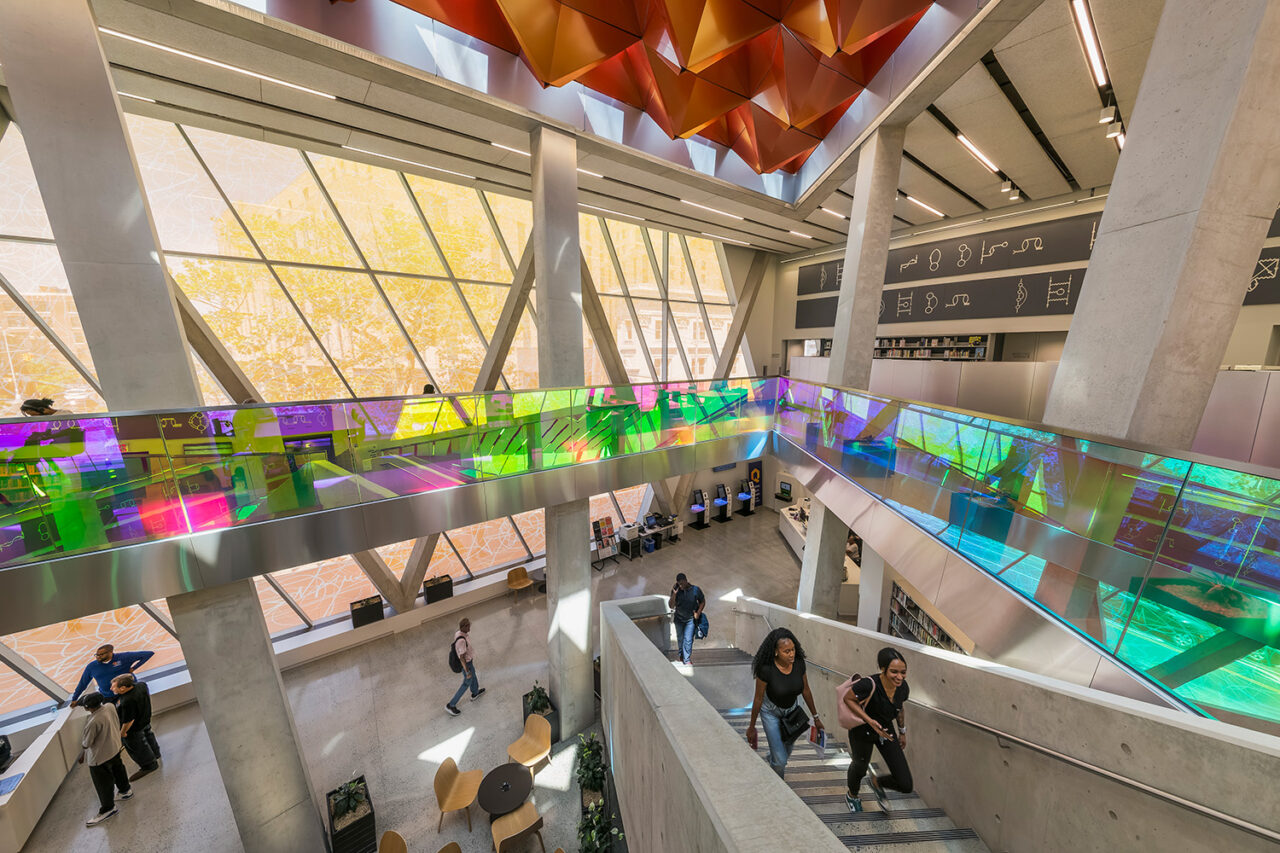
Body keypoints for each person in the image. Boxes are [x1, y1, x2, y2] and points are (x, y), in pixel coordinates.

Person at [841, 647, 913, 813]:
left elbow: (900, 707)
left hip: (886, 731)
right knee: (860, 766)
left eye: (903, 672)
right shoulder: (868, 684)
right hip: (862, 731)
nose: (899, 677)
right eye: (894, 672)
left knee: (905, 784)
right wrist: (869, 720)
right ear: (883, 669)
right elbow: (848, 698)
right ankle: (852, 795)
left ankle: (876, 782)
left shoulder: (903, 688)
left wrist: (902, 731)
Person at [745, 627, 824, 778]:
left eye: (793, 649)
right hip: (771, 713)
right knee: (781, 761)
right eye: (786, 651)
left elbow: (806, 690)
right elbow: (758, 698)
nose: (792, 654)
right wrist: (751, 727)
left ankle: (773, 758)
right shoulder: (766, 669)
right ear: (776, 652)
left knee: (785, 752)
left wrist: (816, 717)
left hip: (792, 712)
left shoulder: (799, 664)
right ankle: (779, 787)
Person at [78, 692, 133, 826]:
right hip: (115, 747)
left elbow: (87, 743)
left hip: (99, 758)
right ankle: (125, 790)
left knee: (103, 784)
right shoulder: (109, 706)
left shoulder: (93, 722)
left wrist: (82, 754)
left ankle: (108, 808)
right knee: (119, 769)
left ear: (87, 708)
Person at [70, 645, 155, 706]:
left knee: (137, 712)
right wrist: (75, 698)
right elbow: (83, 683)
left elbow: (148, 654)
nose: (98, 657)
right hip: (108, 697)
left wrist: (134, 668)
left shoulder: (124, 657)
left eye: (101, 655)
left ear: (111, 652)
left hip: (128, 692)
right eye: (97, 655)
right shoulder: (91, 667)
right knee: (116, 718)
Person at [112, 673, 160, 781]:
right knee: (149, 736)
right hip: (145, 719)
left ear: (123, 688)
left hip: (134, 728)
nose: (111, 688)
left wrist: (123, 733)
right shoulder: (141, 685)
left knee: (137, 747)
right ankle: (156, 754)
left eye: (114, 687)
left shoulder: (127, 700)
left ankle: (149, 765)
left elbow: (129, 720)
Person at [445, 618, 485, 716]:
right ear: (464, 627)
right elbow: (462, 658)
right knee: (466, 683)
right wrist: (467, 671)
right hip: (466, 664)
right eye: (468, 626)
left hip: (469, 662)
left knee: (474, 675)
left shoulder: (459, 633)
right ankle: (451, 705)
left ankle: (475, 692)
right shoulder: (461, 641)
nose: (470, 628)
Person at [668, 573, 705, 665]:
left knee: (688, 640)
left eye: (681, 583)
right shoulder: (676, 590)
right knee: (680, 639)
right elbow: (671, 606)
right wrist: (674, 595)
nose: (680, 586)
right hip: (679, 619)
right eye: (678, 584)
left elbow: (702, 601)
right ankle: (681, 655)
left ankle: (687, 660)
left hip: (690, 620)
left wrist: (698, 613)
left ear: (686, 580)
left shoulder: (695, 590)